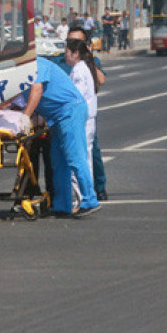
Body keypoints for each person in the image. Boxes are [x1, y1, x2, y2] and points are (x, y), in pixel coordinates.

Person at [0, 57, 99, 217]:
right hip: (55, 116)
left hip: (70, 111)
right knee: (58, 161)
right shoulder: (21, 73)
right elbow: (10, 96)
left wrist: (26, 117)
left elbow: (37, 89)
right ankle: (62, 205)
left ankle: (90, 200)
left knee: (74, 157)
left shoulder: (36, 64)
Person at [64, 38, 99, 210]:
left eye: (67, 52)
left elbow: (75, 97)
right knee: (86, 159)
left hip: (82, 120)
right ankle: (86, 195)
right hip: (88, 119)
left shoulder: (78, 71)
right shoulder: (83, 68)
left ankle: (82, 198)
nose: (65, 55)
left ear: (75, 53)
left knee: (78, 160)